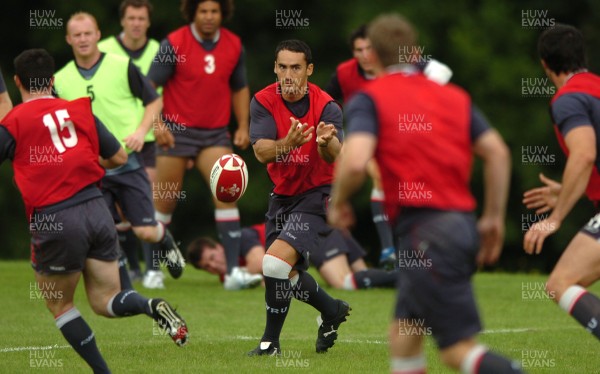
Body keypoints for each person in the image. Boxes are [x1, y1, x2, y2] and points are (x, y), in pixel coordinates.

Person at [328, 14, 521, 373]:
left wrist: (337, 203)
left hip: (426, 233)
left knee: (456, 351)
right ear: (415, 52)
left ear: (372, 57)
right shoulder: (453, 96)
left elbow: (354, 162)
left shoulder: (370, 99)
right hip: (457, 225)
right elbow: (497, 153)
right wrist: (493, 217)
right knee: (403, 336)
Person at [0, 48, 188, 373]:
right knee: (106, 301)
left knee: (60, 305)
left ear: (17, 82)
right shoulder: (80, 110)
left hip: (55, 218)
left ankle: (103, 372)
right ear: (53, 80)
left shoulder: (12, 122)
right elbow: (117, 157)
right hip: (97, 210)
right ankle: (149, 304)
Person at [53, 12, 186, 287]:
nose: (83, 39)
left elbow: (154, 102)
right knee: (104, 232)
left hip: (128, 162)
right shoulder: (60, 80)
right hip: (91, 172)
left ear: (98, 35)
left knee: (145, 231)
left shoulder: (122, 65)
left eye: (88, 33)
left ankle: (165, 238)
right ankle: (124, 288)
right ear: (68, 39)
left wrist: (140, 132)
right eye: (77, 35)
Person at [247, 39, 350, 356]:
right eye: (283, 67)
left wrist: (324, 142)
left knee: (274, 262)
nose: (288, 74)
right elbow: (262, 152)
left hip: (319, 194)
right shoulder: (263, 101)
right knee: (282, 272)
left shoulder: (327, 105)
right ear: (275, 69)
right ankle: (331, 309)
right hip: (282, 195)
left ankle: (270, 343)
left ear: (309, 70)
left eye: (296, 67)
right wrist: (287, 143)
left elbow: (337, 155)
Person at [325, 25, 453, 268]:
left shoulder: (402, 71)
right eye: (358, 50)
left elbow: (442, 72)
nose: (364, 55)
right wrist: (336, 136)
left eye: (368, 49)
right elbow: (323, 103)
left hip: (403, 141)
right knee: (381, 177)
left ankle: (409, 252)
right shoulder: (345, 74)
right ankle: (389, 251)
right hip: (365, 143)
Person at [147, 0, 252, 290]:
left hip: (215, 134)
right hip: (175, 133)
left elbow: (240, 87)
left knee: (227, 192)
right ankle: (152, 271)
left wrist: (243, 125)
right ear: (193, 13)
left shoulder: (234, 45)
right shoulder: (174, 42)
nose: (208, 17)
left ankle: (231, 274)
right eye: (203, 11)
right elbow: (150, 86)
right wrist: (157, 125)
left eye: (214, 11)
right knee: (163, 202)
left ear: (223, 14)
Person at [523, 24, 600, 343]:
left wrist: (555, 219)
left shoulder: (568, 99)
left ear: (544, 64)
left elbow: (583, 154)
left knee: (561, 282)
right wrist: (568, 189)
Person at [98, 0, 164, 288]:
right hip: (112, 140)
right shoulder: (104, 49)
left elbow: (163, 94)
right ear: (122, 21)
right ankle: (132, 265)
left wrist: (161, 126)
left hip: (147, 139)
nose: (136, 23)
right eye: (131, 18)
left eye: (141, 18)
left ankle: (152, 270)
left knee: (144, 200)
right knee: (119, 209)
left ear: (148, 22)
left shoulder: (159, 51)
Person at [187, 223, 396, 289]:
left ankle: (407, 276)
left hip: (315, 235)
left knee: (343, 283)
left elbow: (261, 263)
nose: (214, 266)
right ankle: (409, 279)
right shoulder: (229, 276)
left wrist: (245, 276)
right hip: (317, 234)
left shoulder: (241, 238)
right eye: (208, 267)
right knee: (364, 278)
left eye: (212, 257)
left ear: (220, 246)